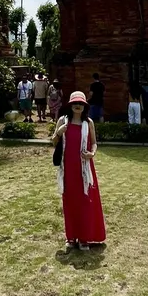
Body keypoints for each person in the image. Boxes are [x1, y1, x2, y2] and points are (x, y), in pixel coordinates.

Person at [52, 91, 106, 250]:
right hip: (68, 168)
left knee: (85, 202)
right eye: (75, 103)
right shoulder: (63, 120)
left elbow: (94, 143)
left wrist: (92, 153)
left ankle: (84, 237)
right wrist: (58, 133)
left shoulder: (88, 123)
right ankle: (71, 237)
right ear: (70, 105)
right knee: (69, 202)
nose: (78, 106)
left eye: (81, 104)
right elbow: (54, 142)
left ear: (84, 106)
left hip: (84, 168)